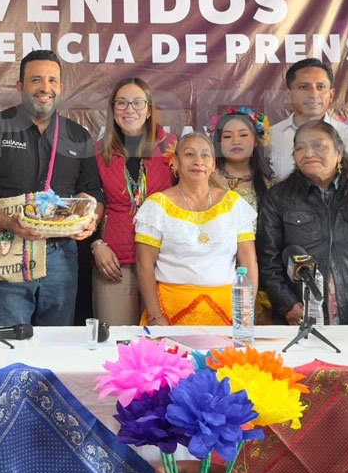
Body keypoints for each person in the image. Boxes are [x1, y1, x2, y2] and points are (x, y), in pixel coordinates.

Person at [0, 50, 104, 327]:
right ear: (20, 86)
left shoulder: (78, 136)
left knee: (55, 342)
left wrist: (91, 219)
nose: (45, 88)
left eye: (52, 80)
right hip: (7, 247)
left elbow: (93, 194)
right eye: (36, 80)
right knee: (8, 340)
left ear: (61, 87)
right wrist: (10, 223)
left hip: (61, 256)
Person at [258, 120, 348, 325]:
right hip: (300, 315)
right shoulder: (278, 198)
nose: (308, 153)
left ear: (339, 152)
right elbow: (268, 260)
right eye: (300, 148)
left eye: (318, 145)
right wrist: (287, 304)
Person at [134, 132, 258, 326]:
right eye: (189, 154)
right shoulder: (156, 206)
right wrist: (155, 316)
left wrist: (245, 314)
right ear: (175, 162)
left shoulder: (234, 204)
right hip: (169, 313)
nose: (198, 161)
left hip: (227, 314)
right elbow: (144, 265)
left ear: (213, 164)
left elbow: (249, 263)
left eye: (205, 155)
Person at [89, 78, 175, 326]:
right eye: (122, 103)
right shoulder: (98, 152)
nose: (130, 109)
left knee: (160, 338)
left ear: (149, 110)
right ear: (113, 109)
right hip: (115, 263)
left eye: (138, 102)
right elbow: (86, 206)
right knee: (116, 339)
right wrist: (96, 245)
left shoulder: (171, 147)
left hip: (164, 261)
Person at [211, 106, 274, 323]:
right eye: (228, 136)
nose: (235, 141)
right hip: (214, 270)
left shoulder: (270, 185)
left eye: (243, 135)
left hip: (260, 272)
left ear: (256, 140)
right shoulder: (205, 180)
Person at [268, 59, 348, 182]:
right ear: (288, 95)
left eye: (320, 87)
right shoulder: (271, 137)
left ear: (331, 95)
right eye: (304, 87)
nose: (314, 94)